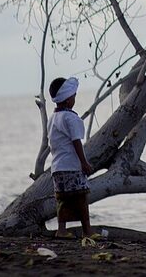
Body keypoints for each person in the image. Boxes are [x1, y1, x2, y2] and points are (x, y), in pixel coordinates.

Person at [48, 77, 95, 239]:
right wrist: (84, 163)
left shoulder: (53, 118)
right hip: (72, 166)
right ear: (68, 99)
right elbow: (76, 142)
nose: (74, 99)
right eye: (74, 96)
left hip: (57, 168)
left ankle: (61, 230)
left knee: (63, 200)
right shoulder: (70, 118)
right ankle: (87, 231)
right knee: (81, 197)